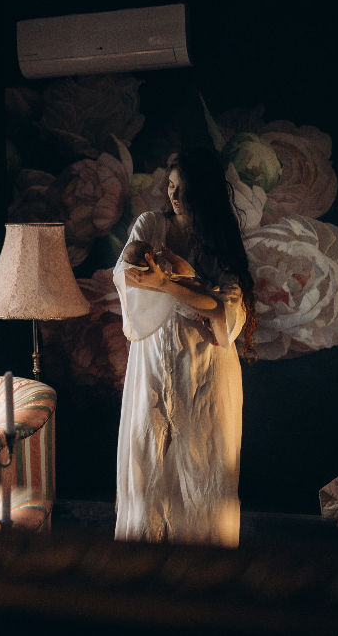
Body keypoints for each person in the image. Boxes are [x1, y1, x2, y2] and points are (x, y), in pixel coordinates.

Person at [113, 147, 257, 546]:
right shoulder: (150, 224)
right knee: (147, 461)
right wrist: (185, 288)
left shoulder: (219, 239)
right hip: (153, 361)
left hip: (205, 365)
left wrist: (170, 283)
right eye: (171, 187)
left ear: (204, 192)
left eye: (184, 188)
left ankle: (203, 570)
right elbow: (127, 275)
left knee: (202, 466)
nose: (175, 196)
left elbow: (225, 309)